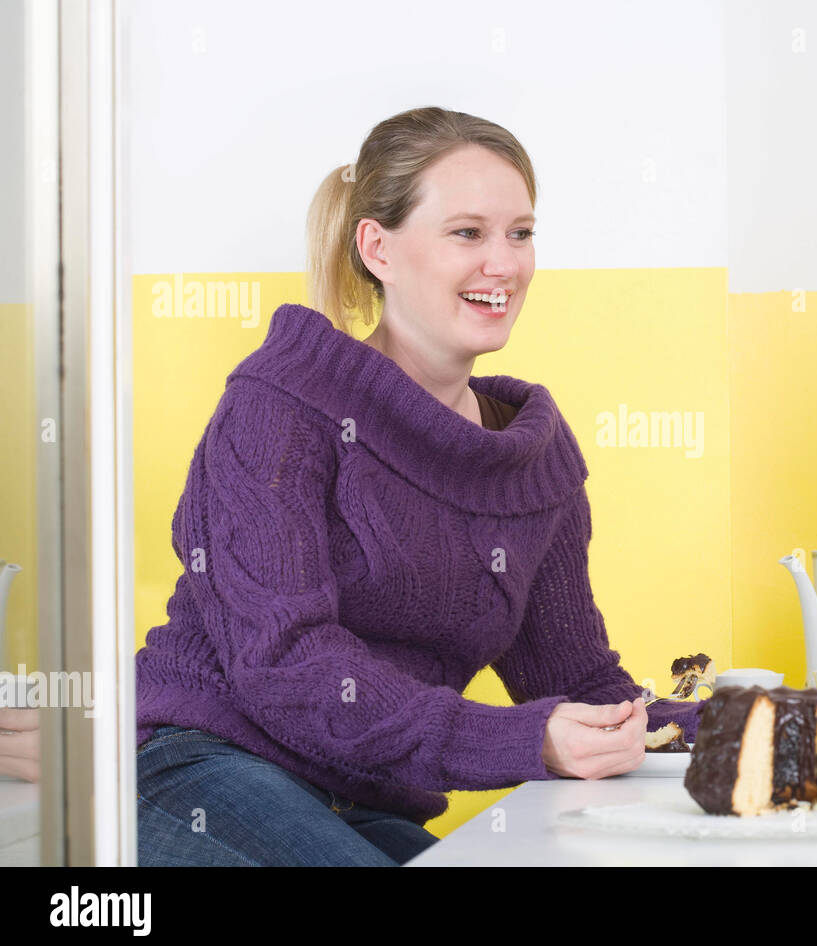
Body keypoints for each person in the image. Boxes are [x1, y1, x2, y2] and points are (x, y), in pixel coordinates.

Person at [135, 107, 702, 866]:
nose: (502, 264)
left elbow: (580, 680)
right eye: (467, 233)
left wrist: (799, 723)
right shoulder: (279, 404)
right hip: (203, 765)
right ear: (379, 248)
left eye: (520, 233)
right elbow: (286, 666)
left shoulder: (530, 458)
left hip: (362, 798)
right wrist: (521, 739)